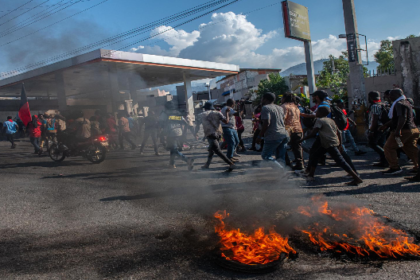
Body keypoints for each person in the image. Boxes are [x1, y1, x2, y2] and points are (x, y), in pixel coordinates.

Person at [298, 107, 363, 185]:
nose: (315, 113)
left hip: (329, 143)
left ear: (321, 113)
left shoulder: (319, 120)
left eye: (317, 111)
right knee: (315, 156)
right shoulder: (330, 120)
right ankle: (311, 175)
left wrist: (301, 139)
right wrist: (340, 144)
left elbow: (313, 133)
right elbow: (339, 132)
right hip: (328, 143)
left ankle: (357, 178)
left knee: (341, 161)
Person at [381, 88, 420, 175]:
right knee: (409, 148)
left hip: (402, 131)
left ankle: (394, 167)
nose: (390, 97)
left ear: (398, 95)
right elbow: (396, 118)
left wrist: (398, 131)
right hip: (412, 130)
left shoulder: (399, 104)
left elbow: (402, 117)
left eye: (392, 95)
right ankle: (418, 166)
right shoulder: (406, 102)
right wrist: (386, 125)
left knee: (389, 147)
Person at [195, 102, 235, 171]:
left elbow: (197, 126)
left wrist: (195, 133)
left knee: (217, 150)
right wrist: (227, 113)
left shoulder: (201, 115)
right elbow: (226, 121)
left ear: (205, 108)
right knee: (212, 150)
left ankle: (231, 163)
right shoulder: (218, 113)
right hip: (219, 134)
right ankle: (207, 165)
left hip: (210, 134)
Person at [256, 92, 289, 168]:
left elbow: (267, 123)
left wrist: (259, 136)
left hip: (273, 135)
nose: (261, 100)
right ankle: (282, 175)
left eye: (262, 98)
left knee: (266, 156)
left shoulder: (266, 108)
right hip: (284, 134)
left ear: (265, 99)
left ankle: (281, 170)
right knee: (281, 158)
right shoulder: (279, 108)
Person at [159, 101, 194, 170]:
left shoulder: (165, 113)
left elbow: (160, 123)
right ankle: (171, 164)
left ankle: (187, 160)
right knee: (172, 148)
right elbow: (185, 123)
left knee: (174, 149)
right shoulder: (177, 113)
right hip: (179, 132)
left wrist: (161, 133)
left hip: (170, 133)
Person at [281, 93, 304, 170]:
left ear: (284, 98)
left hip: (288, 130)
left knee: (283, 146)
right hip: (298, 129)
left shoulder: (284, 106)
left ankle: (287, 163)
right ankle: (300, 164)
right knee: (297, 147)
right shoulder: (296, 107)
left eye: (282, 98)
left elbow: (283, 118)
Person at [367, 91, 389, 167]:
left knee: (372, 143)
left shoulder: (375, 106)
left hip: (377, 128)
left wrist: (371, 131)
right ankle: (384, 161)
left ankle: (385, 159)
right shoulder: (383, 104)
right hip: (384, 127)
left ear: (370, 97)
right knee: (381, 144)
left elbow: (374, 120)